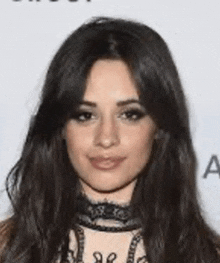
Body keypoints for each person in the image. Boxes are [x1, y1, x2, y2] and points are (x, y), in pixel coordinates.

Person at [0, 17, 219, 263]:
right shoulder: (6, 248)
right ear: (60, 126)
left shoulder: (208, 255)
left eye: (130, 114)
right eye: (85, 115)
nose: (106, 138)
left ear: (159, 126)